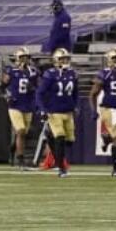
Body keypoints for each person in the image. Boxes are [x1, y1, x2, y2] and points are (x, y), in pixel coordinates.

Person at [36, 48, 79, 178]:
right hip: (54, 111)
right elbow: (40, 93)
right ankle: (61, 168)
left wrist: (75, 105)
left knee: (70, 141)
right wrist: (43, 109)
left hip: (68, 111)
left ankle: (50, 138)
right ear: (56, 60)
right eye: (62, 59)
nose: (65, 61)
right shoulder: (50, 74)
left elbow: (75, 92)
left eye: (66, 58)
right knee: (60, 137)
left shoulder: (72, 73)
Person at [90, 46, 116, 177]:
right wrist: (93, 110)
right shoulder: (105, 73)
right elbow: (93, 94)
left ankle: (107, 138)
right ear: (109, 59)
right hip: (109, 108)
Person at [1, 47, 37, 170]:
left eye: (26, 57)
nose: (24, 59)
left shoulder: (33, 71)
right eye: (22, 57)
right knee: (21, 131)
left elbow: (39, 86)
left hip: (28, 105)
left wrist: (33, 87)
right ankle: (21, 160)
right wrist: (7, 96)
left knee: (22, 134)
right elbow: (2, 86)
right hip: (15, 105)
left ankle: (13, 149)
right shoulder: (10, 70)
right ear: (16, 58)